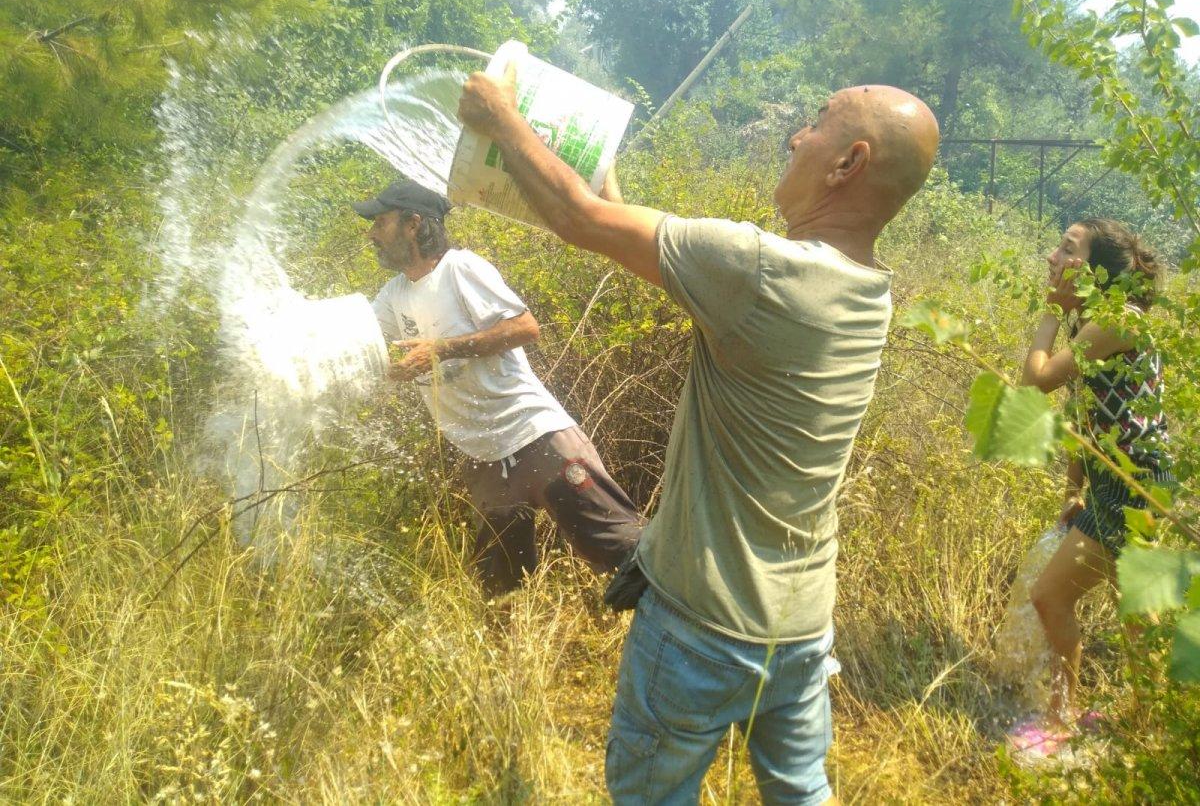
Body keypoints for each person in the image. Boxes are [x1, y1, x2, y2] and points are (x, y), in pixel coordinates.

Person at [458, 67, 939, 805]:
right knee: (802, 791)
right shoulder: (864, 290)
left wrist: (500, 121)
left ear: (850, 163)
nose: (795, 135)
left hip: (703, 628)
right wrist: (593, 165)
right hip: (801, 629)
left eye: (817, 121)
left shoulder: (757, 271)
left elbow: (583, 222)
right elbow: (615, 226)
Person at [355, 179, 644, 597]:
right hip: (482, 455)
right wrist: (388, 367)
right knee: (500, 589)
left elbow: (526, 328)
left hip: (535, 435)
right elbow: (368, 343)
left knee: (624, 551)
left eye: (380, 223)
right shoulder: (393, 294)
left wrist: (440, 349)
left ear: (414, 224)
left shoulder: (461, 268)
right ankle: (517, 660)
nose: (372, 234)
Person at [1014, 219, 1173, 748]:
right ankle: (1149, 730)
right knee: (1137, 614)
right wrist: (1073, 490)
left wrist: (1052, 310)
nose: (1053, 257)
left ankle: (1062, 720)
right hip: (1121, 480)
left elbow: (1035, 380)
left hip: (1135, 485)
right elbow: (1083, 410)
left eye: (1067, 248)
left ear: (1096, 270)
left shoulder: (1116, 321)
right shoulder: (1096, 320)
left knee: (1049, 597)